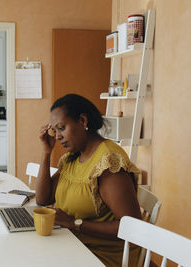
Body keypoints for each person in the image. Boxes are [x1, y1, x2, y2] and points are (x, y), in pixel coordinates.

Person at [36, 94, 142, 267]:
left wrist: (75, 223)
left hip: (101, 256)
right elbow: (42, 199)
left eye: (61, 128)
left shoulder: (108, 163)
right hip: (74, 245)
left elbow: (132, 227)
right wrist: (46, 152)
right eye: (54, 130)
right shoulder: (73, 158)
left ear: (83, 121)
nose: (57, 137)